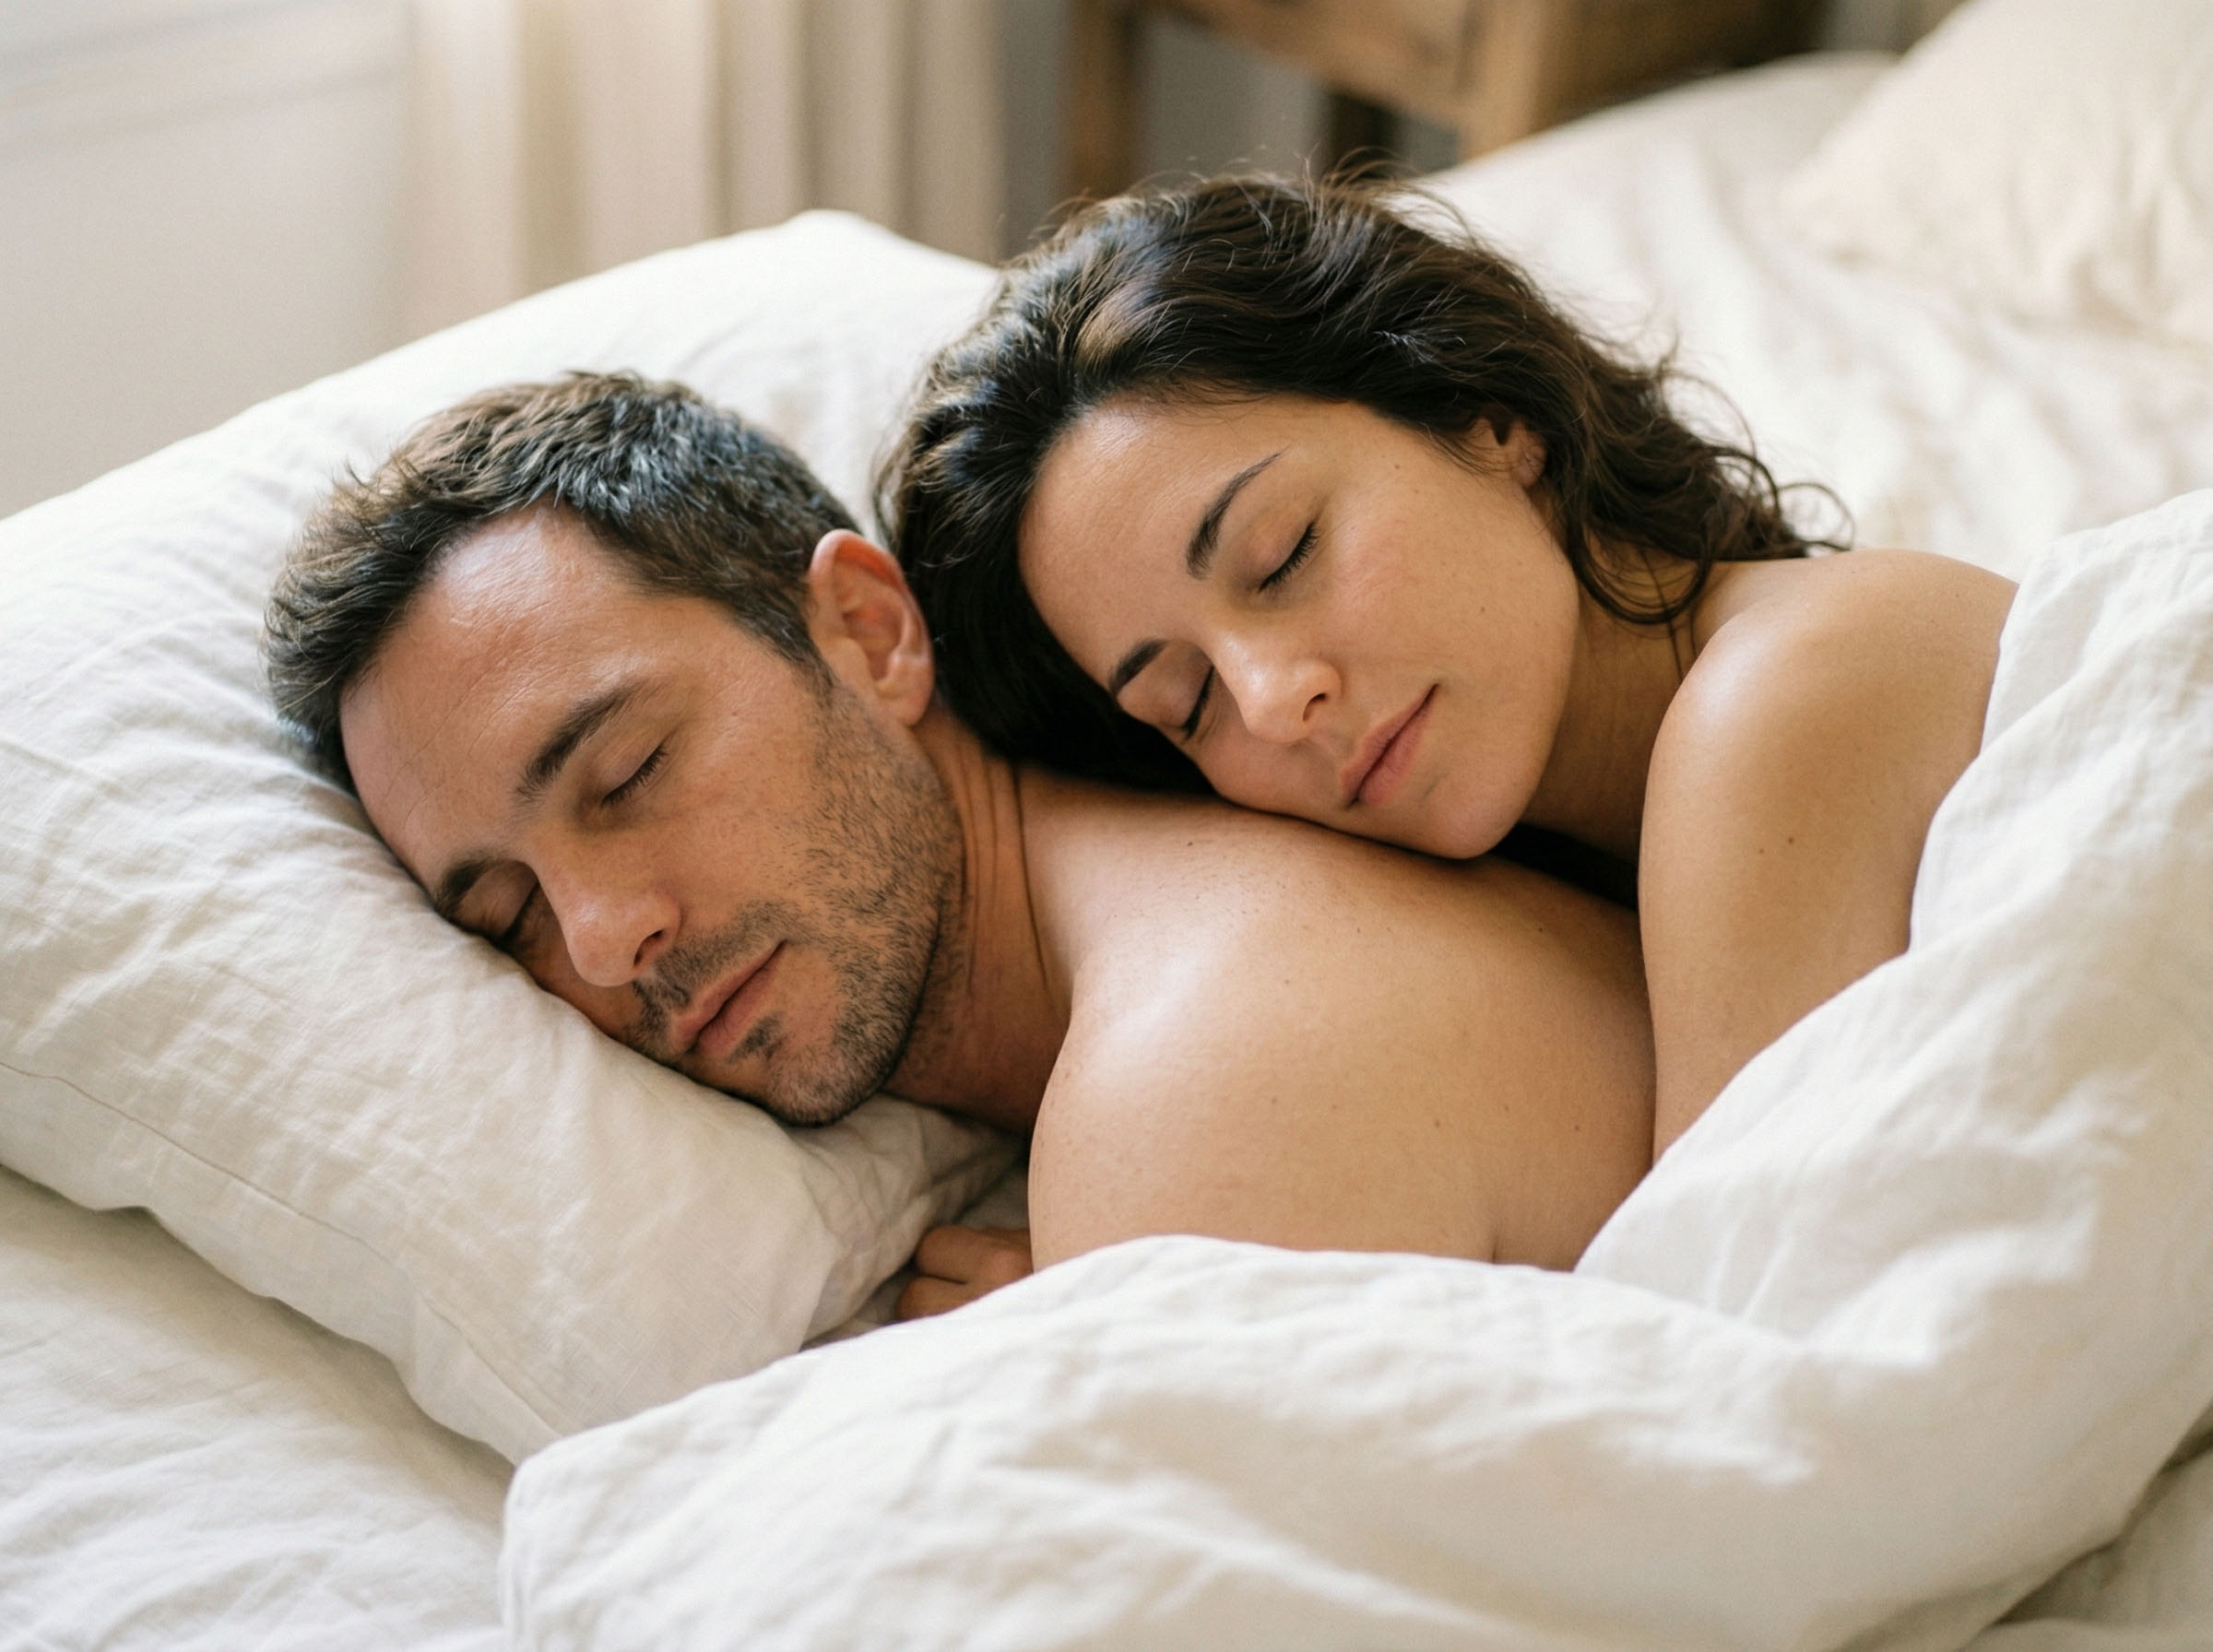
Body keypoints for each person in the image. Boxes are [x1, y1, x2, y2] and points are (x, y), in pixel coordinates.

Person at [263, 372, 1655, 1317]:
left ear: (868, 633)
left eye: (627, 772)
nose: (600, 938)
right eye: (506, 914)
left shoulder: (1200, 1075)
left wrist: (1107, 1320)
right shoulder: (1201, 1007)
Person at [889, 174, 2016, 1161]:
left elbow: (1736, 1315)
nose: (1276, 703)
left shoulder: (1779, 700)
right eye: (1188, 702)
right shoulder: (1593, 877)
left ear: (1487, 413)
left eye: (1280, 557)